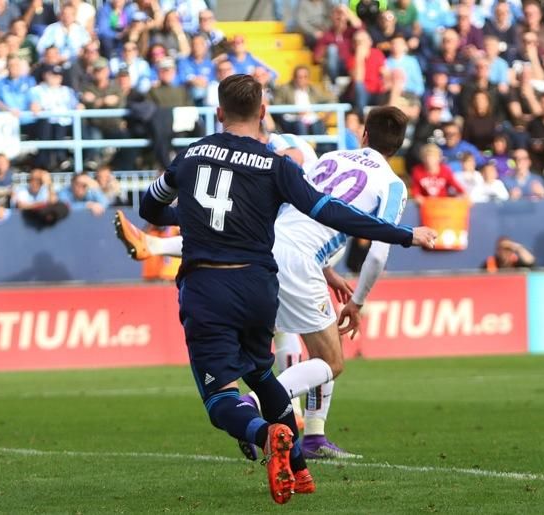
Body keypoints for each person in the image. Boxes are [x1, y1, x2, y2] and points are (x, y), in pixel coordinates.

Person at [137, 75, 434, 503]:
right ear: (262, 112)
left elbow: (152, 206)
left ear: (219, 112)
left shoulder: (192, 154)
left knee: (222, 397)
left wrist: (177, 221)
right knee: (269, 370)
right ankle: (299, 463)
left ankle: (260, 428)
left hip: (219, 280)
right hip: (261, 280)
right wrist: (403, 234)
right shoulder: (277, 165)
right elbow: (331, 212)